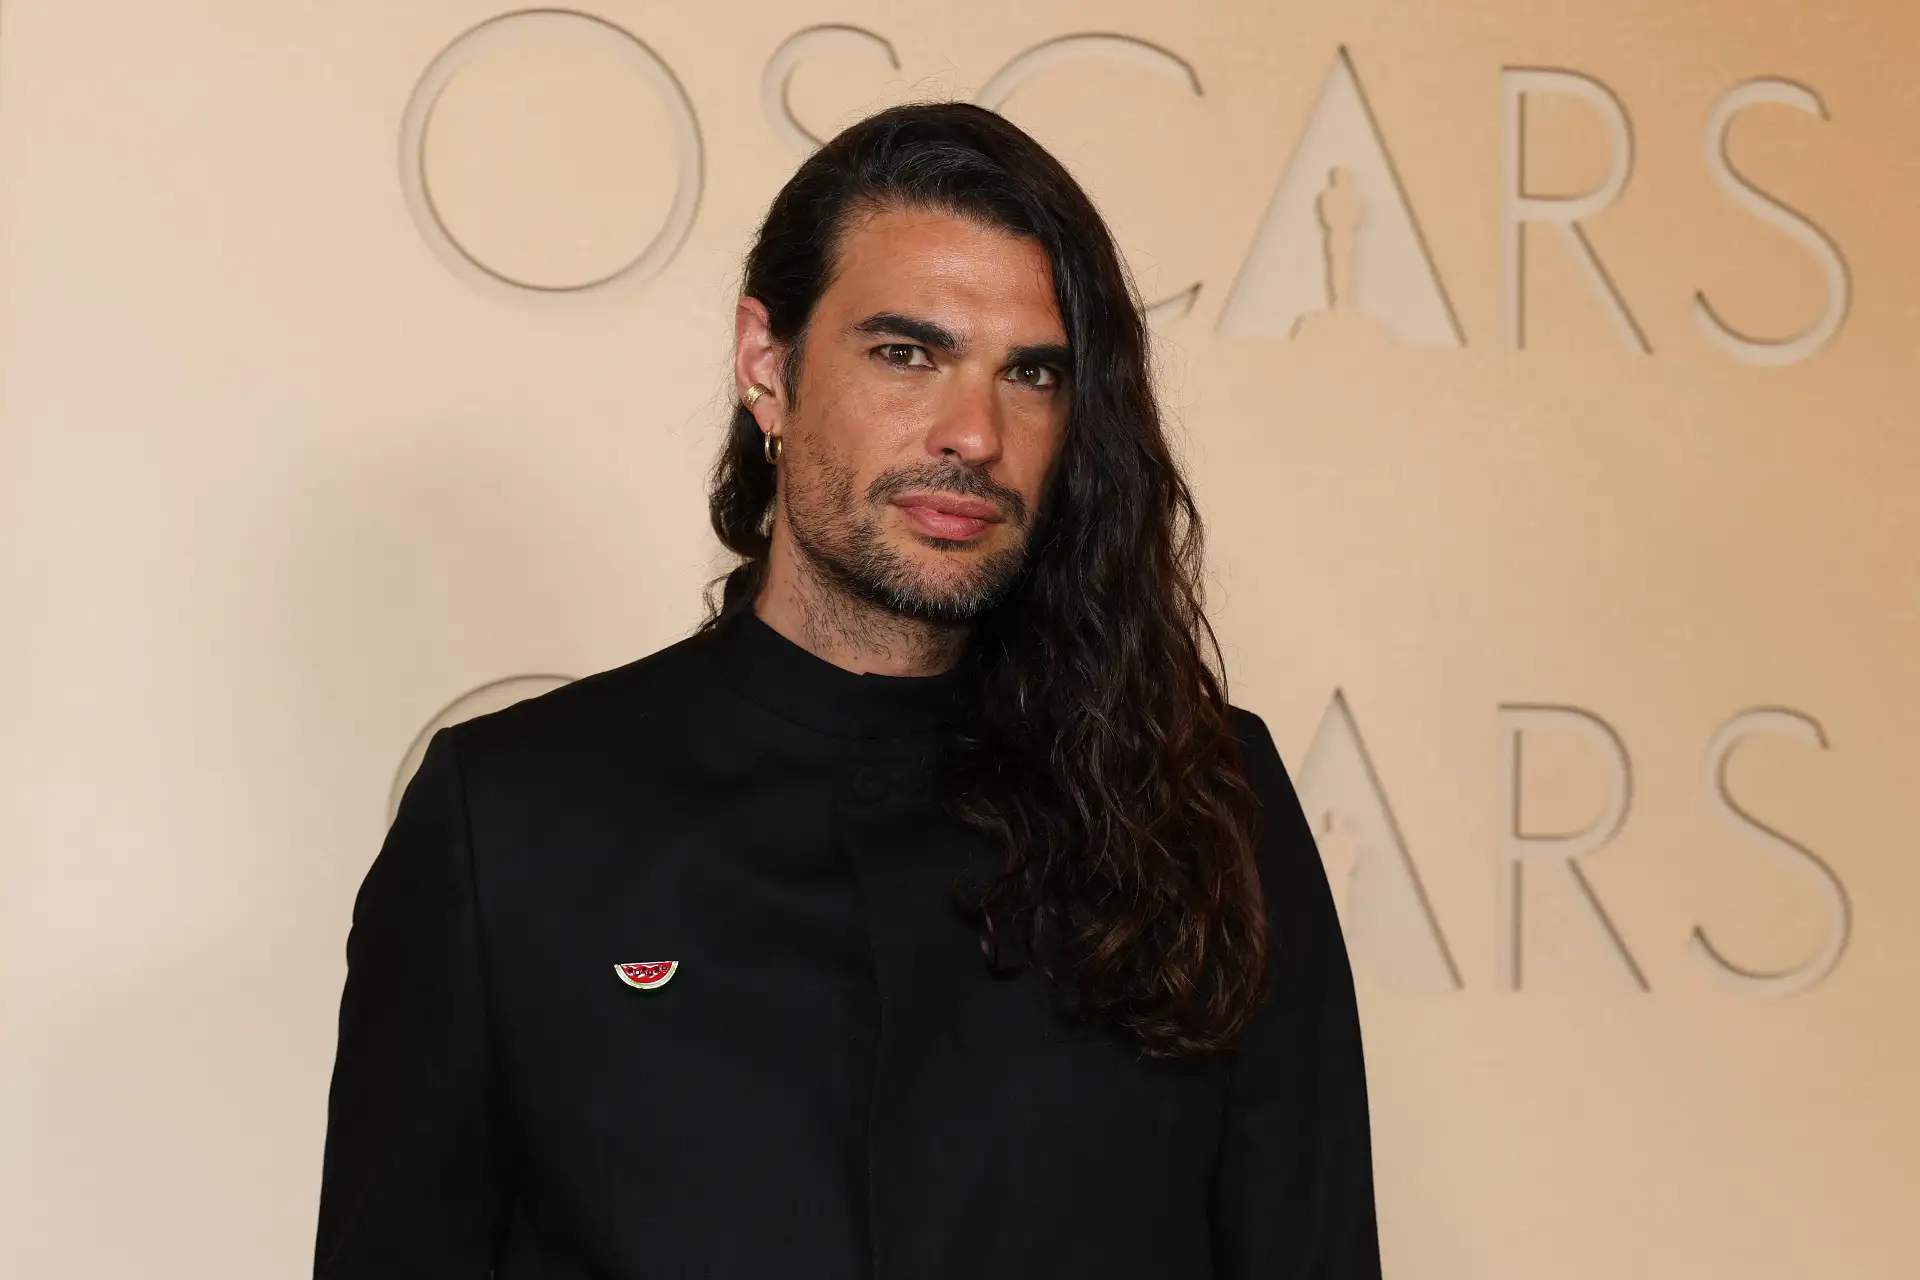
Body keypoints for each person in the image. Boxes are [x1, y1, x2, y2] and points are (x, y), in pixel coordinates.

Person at [314, 100, 1380, 1279]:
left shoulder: (1203, 795)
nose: (973, 431)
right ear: (767, 368)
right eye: (906, 352)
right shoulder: (509, 817)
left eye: (1031, 373)